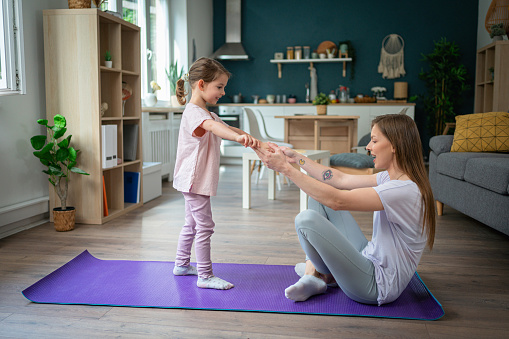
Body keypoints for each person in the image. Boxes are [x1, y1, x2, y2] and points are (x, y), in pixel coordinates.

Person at [253, 114, 436, 305]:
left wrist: (285, 169)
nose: (368, 147)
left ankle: (318, 274)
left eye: (374, 140)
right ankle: (318, 275)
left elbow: (337, 201)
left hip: (375, 285)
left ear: (394, 145)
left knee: (306, 219)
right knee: (317, 199)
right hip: (369, 256)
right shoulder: (391, 178)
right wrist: (296, 158)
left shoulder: (403, 190)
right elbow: (340, 179)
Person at [172, 57, 260, 290]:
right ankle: (205, 276)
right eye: (219, 87)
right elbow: (214, 128)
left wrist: (255, 141)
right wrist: (237, 138)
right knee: (205, 226)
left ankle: (181, 265)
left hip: (191, 180)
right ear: (201, 85)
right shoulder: (194, 113)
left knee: (191, 224)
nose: (222, 92)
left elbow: (229, 128)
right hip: (194, 180)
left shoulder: (205, 113)